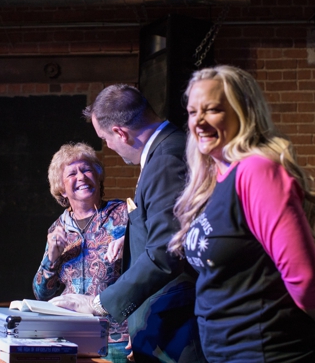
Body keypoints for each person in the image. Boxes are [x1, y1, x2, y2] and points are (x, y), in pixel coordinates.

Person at [168, 64, 315, 362]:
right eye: (192, 112)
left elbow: (305, 279)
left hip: (271, 351)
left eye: (212, 109)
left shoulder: (256, 172)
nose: (199, 122)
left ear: (244, 112)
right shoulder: (215, 180)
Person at [50, 85, 204, 362]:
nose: (107, 146)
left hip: (177, 328)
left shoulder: (165, 160)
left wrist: (97, 304)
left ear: (120, 132)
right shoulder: (172, 148)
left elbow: (165, 254)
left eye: (105, 138)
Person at [33, 142, 129, 363]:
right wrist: (51, 258)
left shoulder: (124, 215)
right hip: (69, 338)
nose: (82, 177)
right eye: (72, 173)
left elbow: (148, 273)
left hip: (117, 339)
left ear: (98, 176)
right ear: (61, 188)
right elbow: (42, 294)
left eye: (86, 169)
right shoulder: (57, 228)